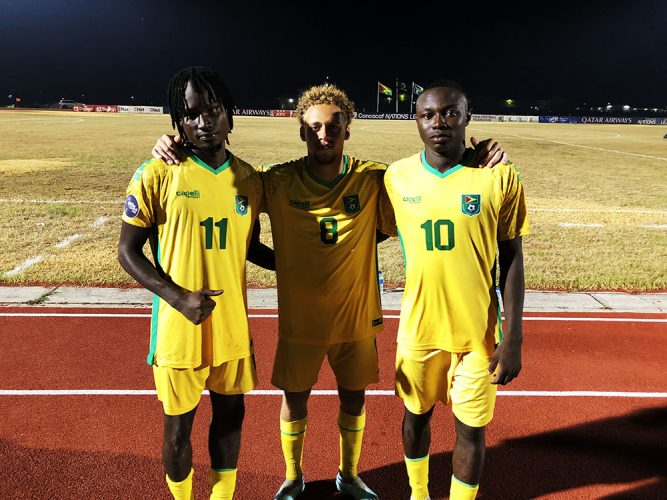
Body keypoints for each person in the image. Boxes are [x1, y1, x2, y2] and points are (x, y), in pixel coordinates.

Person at [151, 82, 507, 500]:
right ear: (301, 132)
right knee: (295, 401)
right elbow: (229, 206)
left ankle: (349, 475)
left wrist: (478, 155)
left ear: (348, 129)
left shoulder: (374, 178)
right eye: (314, 127)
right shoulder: (277, 181)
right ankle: (292, 476)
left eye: (334, 126)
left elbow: (421, 201)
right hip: (300, 318)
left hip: (355, 315)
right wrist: (171, 144)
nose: (324, 134)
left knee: (354, 400)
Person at [118, 66, 274, 500]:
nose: (203, 122)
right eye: (190, 115)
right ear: (177, 121)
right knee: (177, 428)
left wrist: (303, 263)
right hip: (178, 326)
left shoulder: (248, 178)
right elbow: (127, 252)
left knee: (230, 418)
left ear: (229, 115)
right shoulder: (157, 173)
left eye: (213, 111)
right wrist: (177, 297)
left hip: (232, 327)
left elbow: (250, 248)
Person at [382, 80, 529, 500]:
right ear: (416, 122)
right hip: (418, 331)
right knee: (415, 419)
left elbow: (513, 258)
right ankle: (418, 493)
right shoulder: (396, 177)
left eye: (450, 112)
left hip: (477, 336)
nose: (439, 122)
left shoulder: (498, 175)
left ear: (467, 117)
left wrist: (514, 335)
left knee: (471, 432)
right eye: (428, 114)